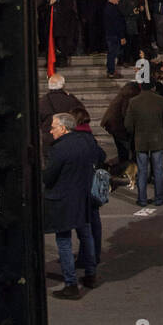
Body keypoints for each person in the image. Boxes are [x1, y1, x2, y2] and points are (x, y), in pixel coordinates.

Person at [43, 113, 105, 298]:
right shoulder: (86, 141)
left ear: (63, 128)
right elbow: (100, 156)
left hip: (63, 200)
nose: (50, 130)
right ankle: (90, 274)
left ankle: (70, 284)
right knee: (86, 235)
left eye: (53, 127)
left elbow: (49, 177)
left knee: (63, 241)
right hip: (84, 197)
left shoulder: (59, 149)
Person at [124, 82, 163, 216]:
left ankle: (142, 199)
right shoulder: (161, 101)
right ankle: (159, 198)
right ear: (154, 87)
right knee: (158, 169)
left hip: (141, 140)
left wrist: (134, 134)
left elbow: (128, 124)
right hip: (158, 140)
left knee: (142, 170)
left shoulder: (133, 101)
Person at [72, 106, 106, 276]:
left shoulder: (76, 137)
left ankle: (88, 258)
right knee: (95, 221)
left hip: (81, 185)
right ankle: (95, 254)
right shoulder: (90, 136)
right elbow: (102, 156)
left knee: (84, 225)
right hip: (94, 185)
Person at [100, 70, 142, 168]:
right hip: (118, 125)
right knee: (125, 151)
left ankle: (125, 169)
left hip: (114, 124)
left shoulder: (129, 90)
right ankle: (125, 171)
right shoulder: (132, 92)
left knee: (125, 150)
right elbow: (126, 113)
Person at [39, 73, 85, 161]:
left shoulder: (42, 102)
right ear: (63, 85)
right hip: (69, 138)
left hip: (49, 139)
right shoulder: (71, 100)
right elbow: (82, 115)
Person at [50, 0, 81, 67]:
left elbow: (66, 11)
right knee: (56, 45)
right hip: (55, 26)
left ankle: (63, 61)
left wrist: (56, 4)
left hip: (65, 27)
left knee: (63, 45)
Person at [103, 0, 126, 78]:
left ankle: (111, 71)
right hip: (114, 35)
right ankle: (111, 72)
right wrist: (122, 37)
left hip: (111, 35)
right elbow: (117, 24)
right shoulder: (112, 9)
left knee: (112, 53)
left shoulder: (108, 8)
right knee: (112, 54)